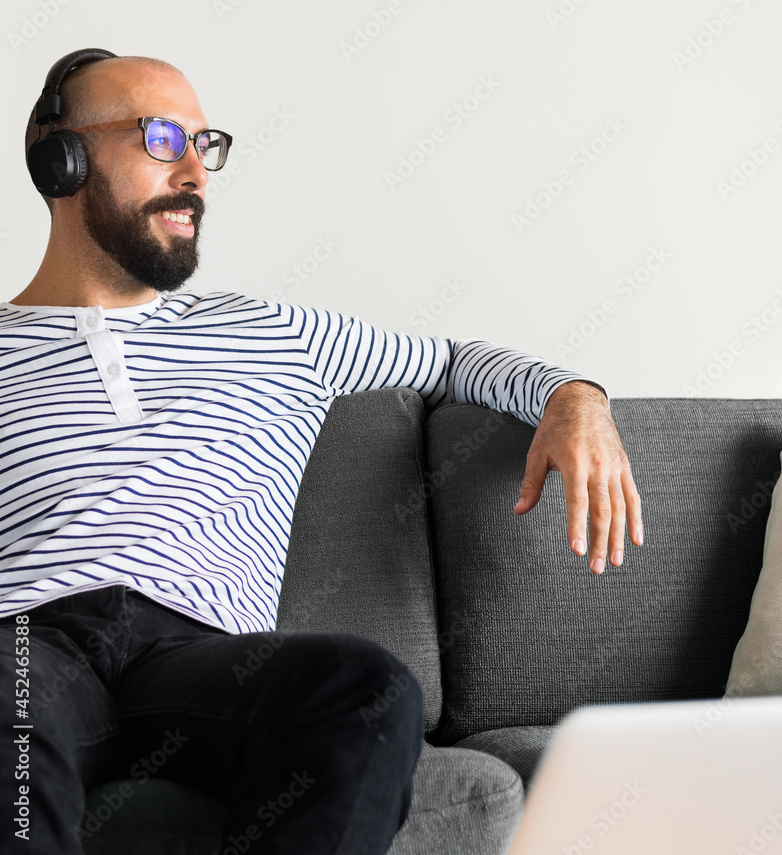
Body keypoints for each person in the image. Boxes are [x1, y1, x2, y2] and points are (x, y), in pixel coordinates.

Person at [0, 49, 643, 853]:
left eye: (208, 144)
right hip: (28, 642)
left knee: (367, 689)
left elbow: (451, 361)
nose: (197, 170)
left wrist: (574, 399)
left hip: (205, 655)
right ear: (62, 159)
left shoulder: (274, 333)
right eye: (163, 138)